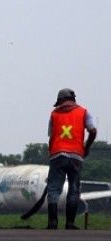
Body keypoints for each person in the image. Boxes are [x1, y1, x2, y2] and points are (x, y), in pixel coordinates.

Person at [46, 88, 97, 230]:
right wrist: (86, 147)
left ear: (61, 100)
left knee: (53, 189)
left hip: (57, 155)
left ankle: (52, 222)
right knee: (74, 188)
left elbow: (51, 137)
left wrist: (51, 154)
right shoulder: (84, 112)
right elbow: (92, 131)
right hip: (76, 155)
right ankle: (70, 223)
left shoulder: (54, 114)